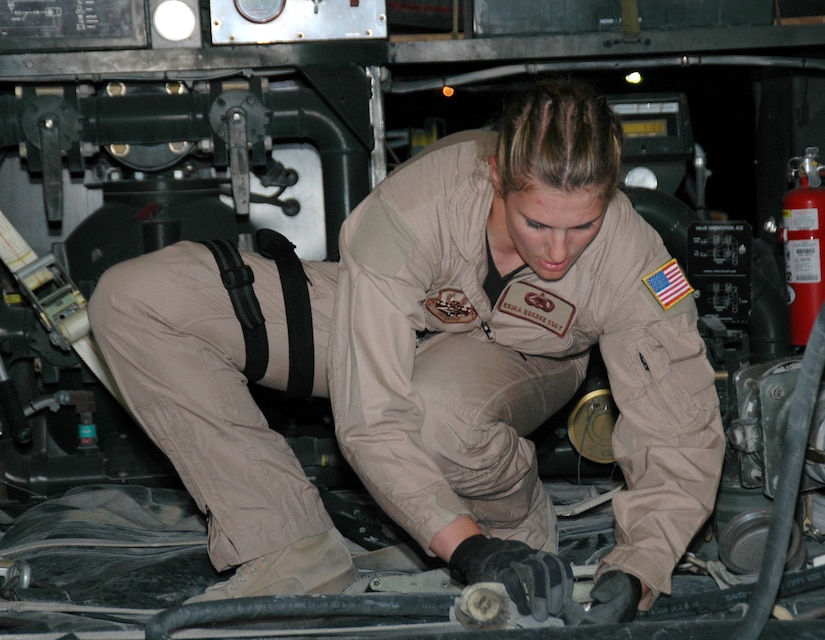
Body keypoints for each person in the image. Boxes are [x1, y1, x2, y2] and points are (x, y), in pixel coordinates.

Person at [87, 78, 725, 622]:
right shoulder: (416, 208)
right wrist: (466, 551)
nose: (558, 253)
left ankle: (516, 537)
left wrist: (640, 568)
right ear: (498, 175)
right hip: (407, 317)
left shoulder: (633, 257)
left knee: (436, 407)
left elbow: (678, 430)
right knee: (136, 299)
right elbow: (369, 418)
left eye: (581, 225)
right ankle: (291, 546)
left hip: (529, 358)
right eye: (538, 223)